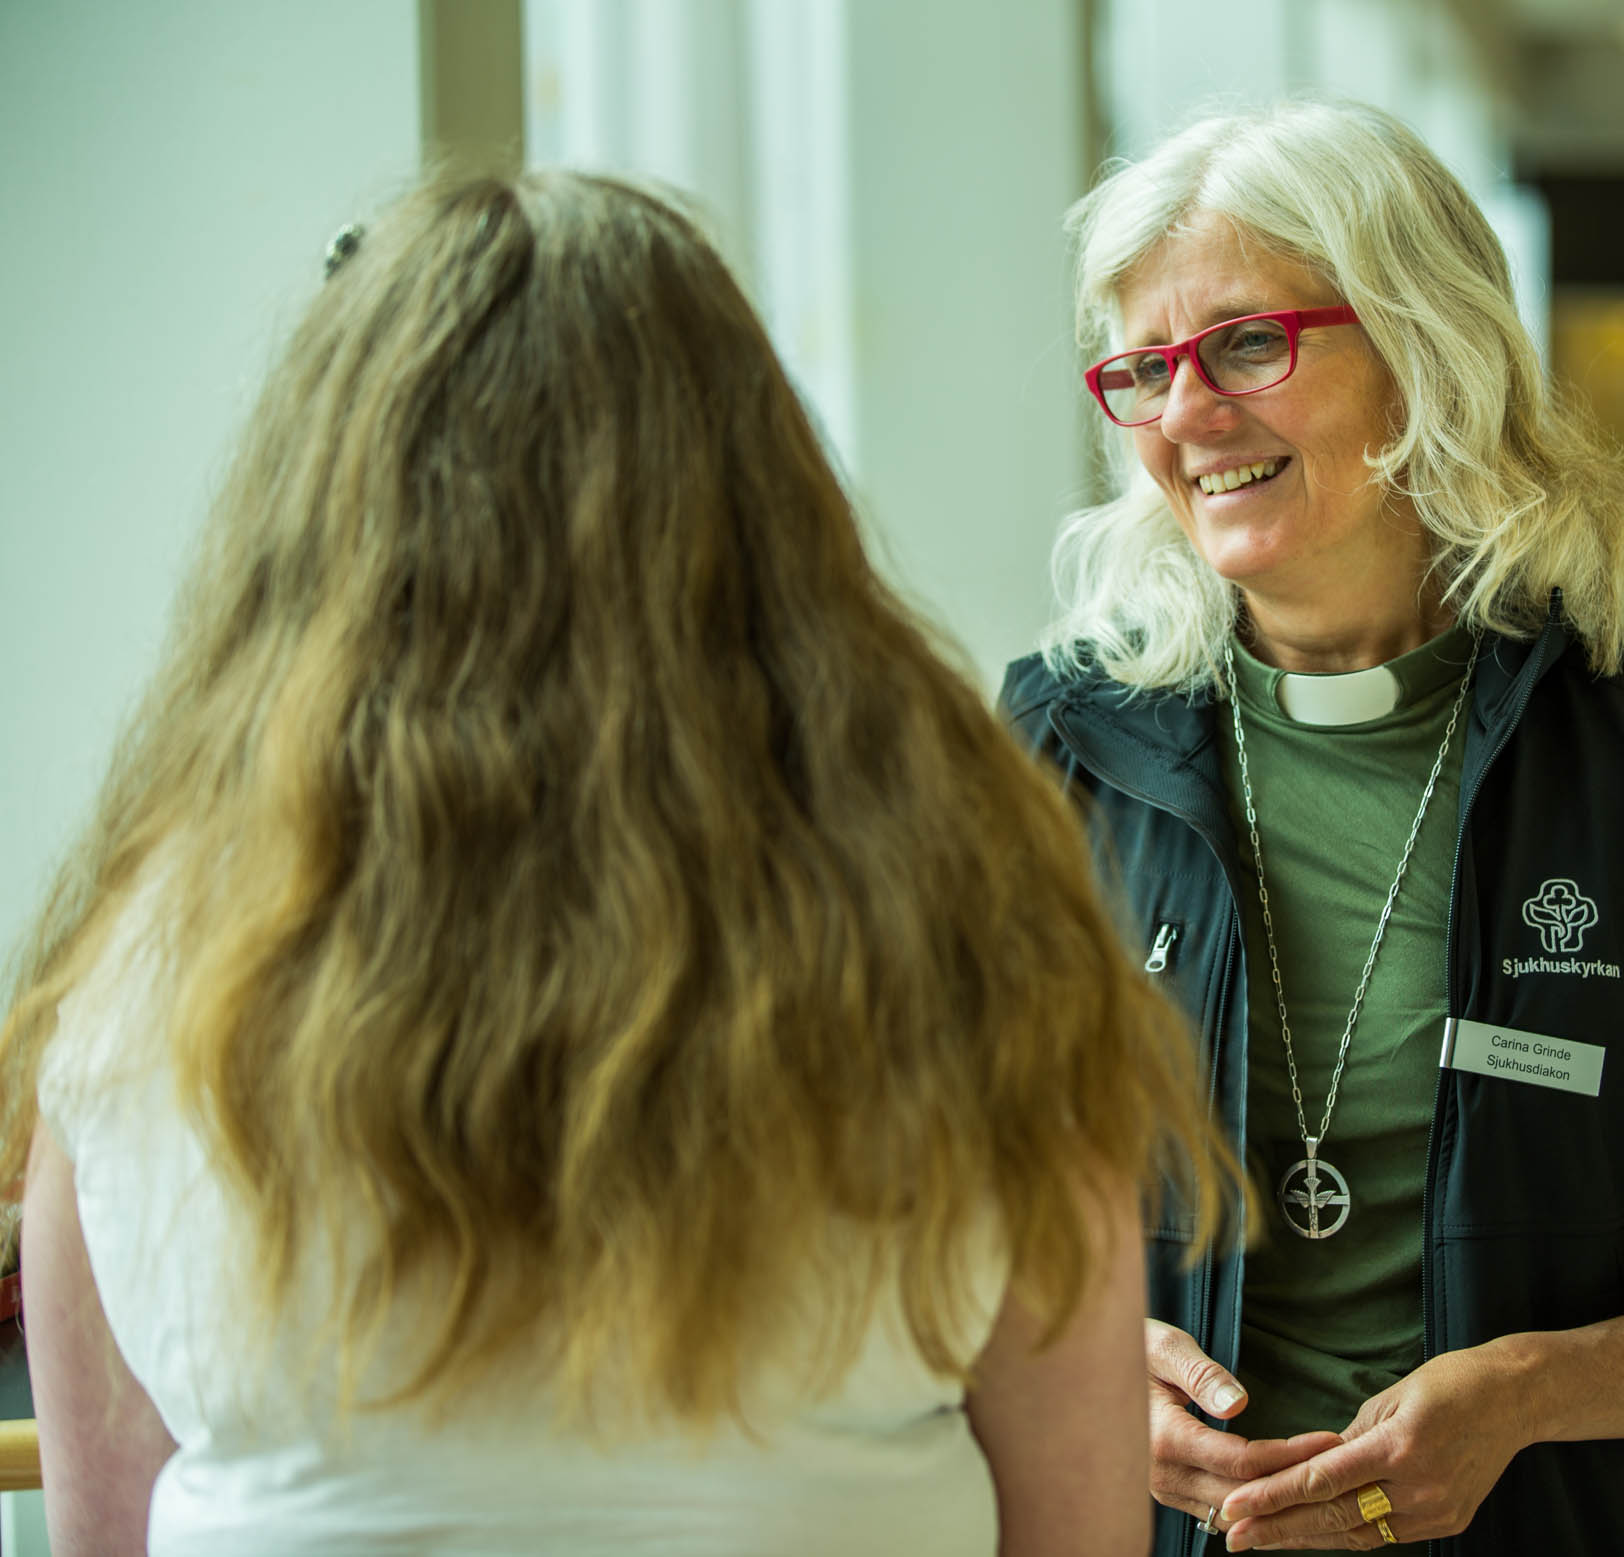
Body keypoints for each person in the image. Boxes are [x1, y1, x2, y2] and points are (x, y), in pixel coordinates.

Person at [0, 171, 1229, 1556]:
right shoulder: (967, 940)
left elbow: (105, 1532)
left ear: (316, 519)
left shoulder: (136, 991)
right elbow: (1074, 1527)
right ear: (762, 499)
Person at [1002, 100, 1624, 1556]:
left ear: (1421, 348)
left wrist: (1535, 1387)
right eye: (1144, 370)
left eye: (1250, 344)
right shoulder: (1047, 755)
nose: (1189, 416)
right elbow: (924, 1221)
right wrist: (1070, 1364)